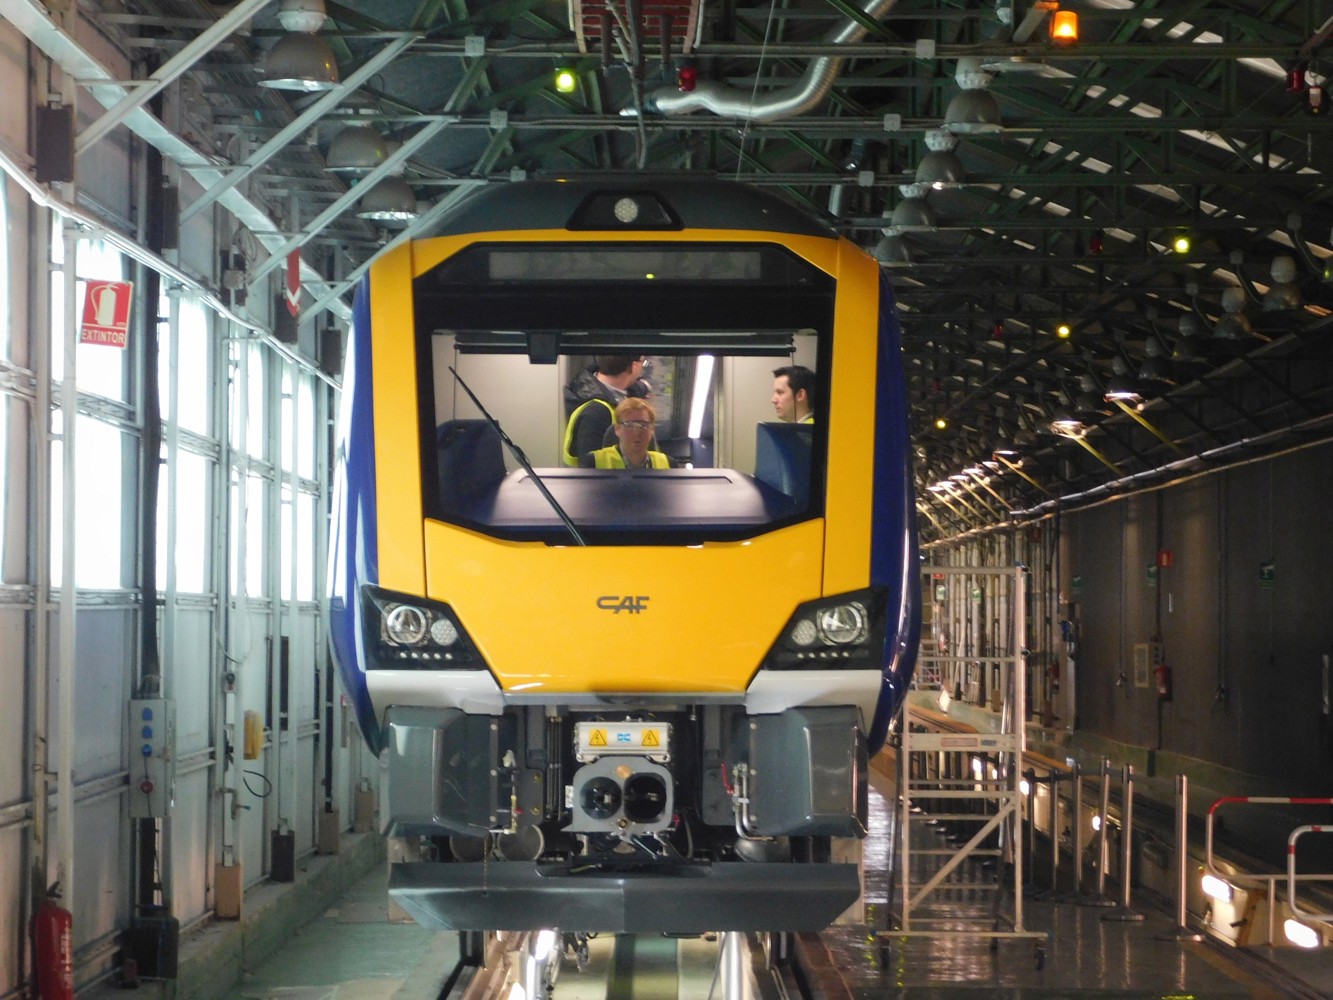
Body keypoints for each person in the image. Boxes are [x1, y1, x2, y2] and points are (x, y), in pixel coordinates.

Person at [562, 355, 650, 465]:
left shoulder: (591, 389)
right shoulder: (596, 414)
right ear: (634, 366)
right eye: (643, 363)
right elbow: (591, 468)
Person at [580, 398, 670, 469]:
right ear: (617, 429)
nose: (637, 432)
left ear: (652, 430)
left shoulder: (668, 463)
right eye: (629, 425)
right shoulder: (593, 462)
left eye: (643, 425)